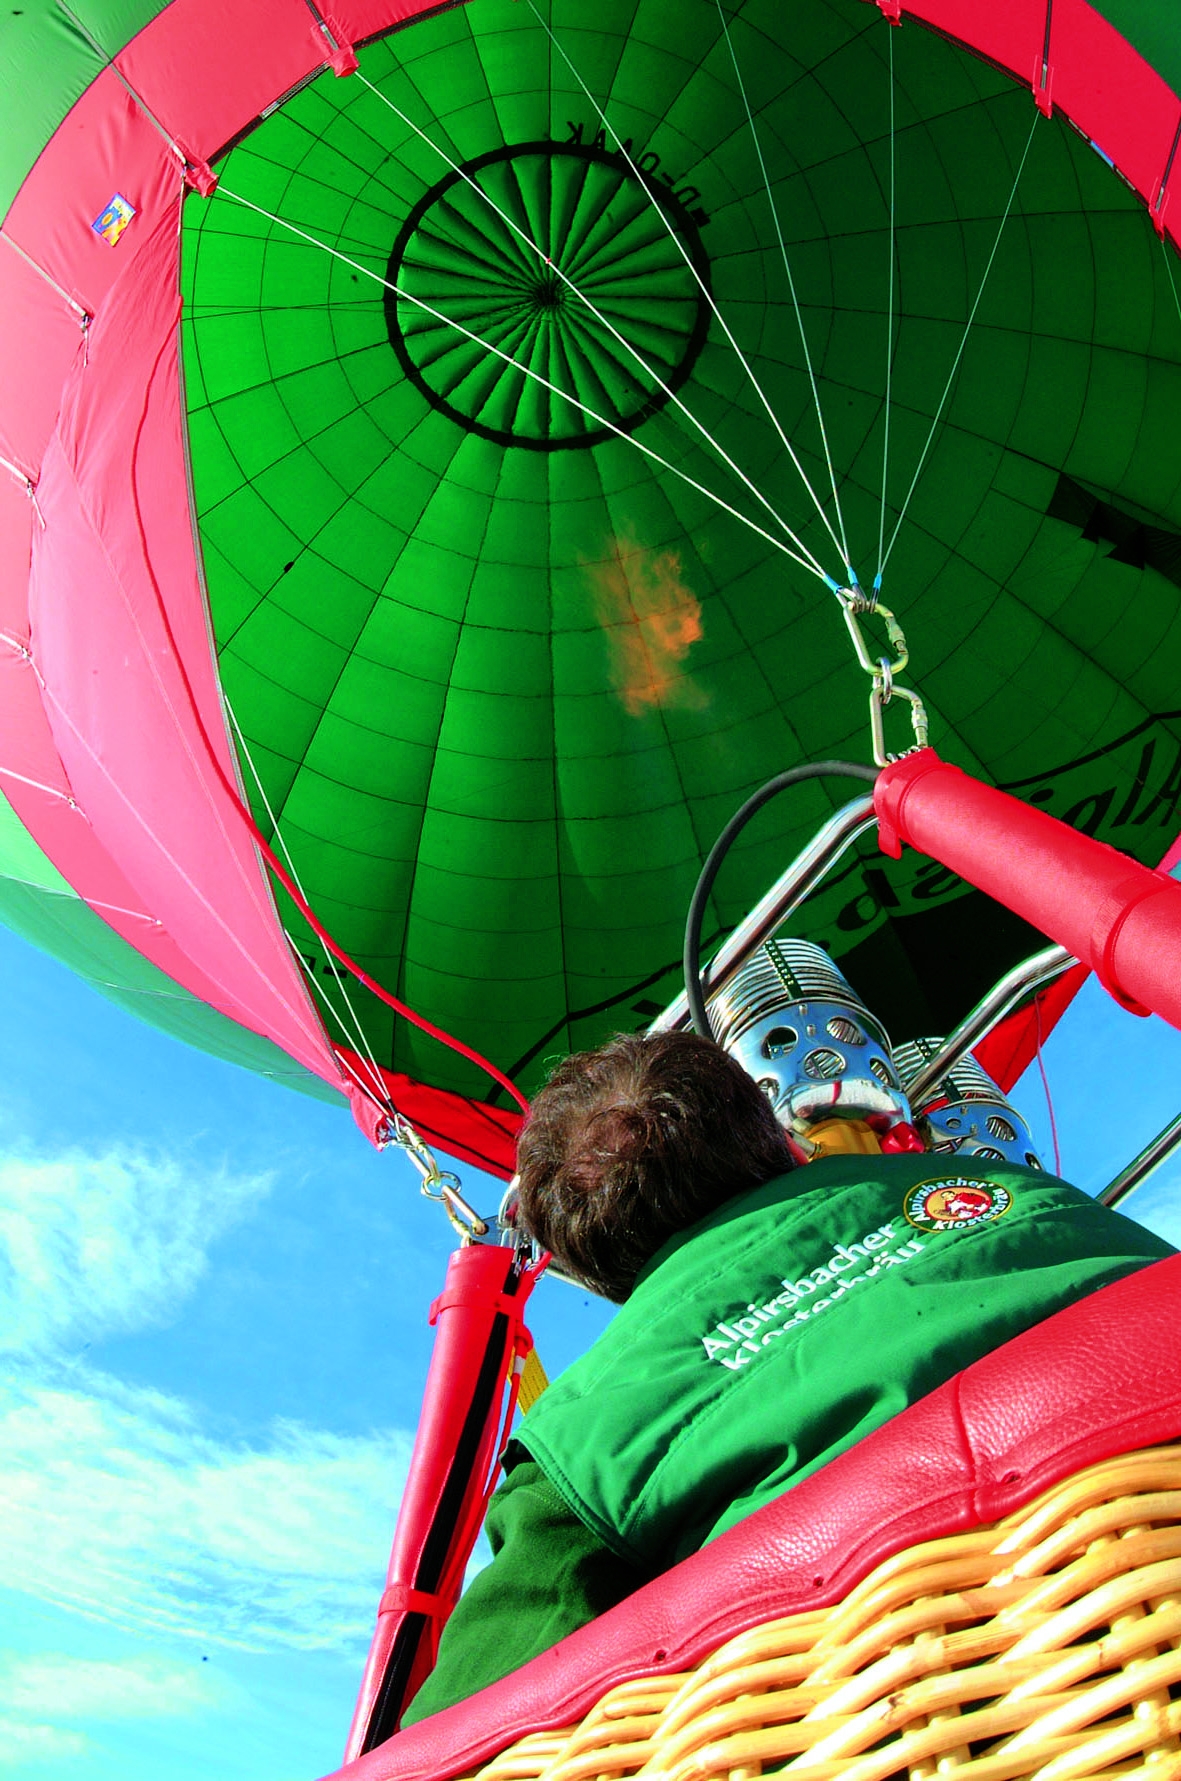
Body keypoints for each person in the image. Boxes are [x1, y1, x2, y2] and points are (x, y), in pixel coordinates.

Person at [402, 1028, 1174, 1725]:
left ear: (601, 1279)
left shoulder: (582, 1433)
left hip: (941, 1714)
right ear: (784, 1141)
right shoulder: (1032, 1198)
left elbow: (464, 1730)